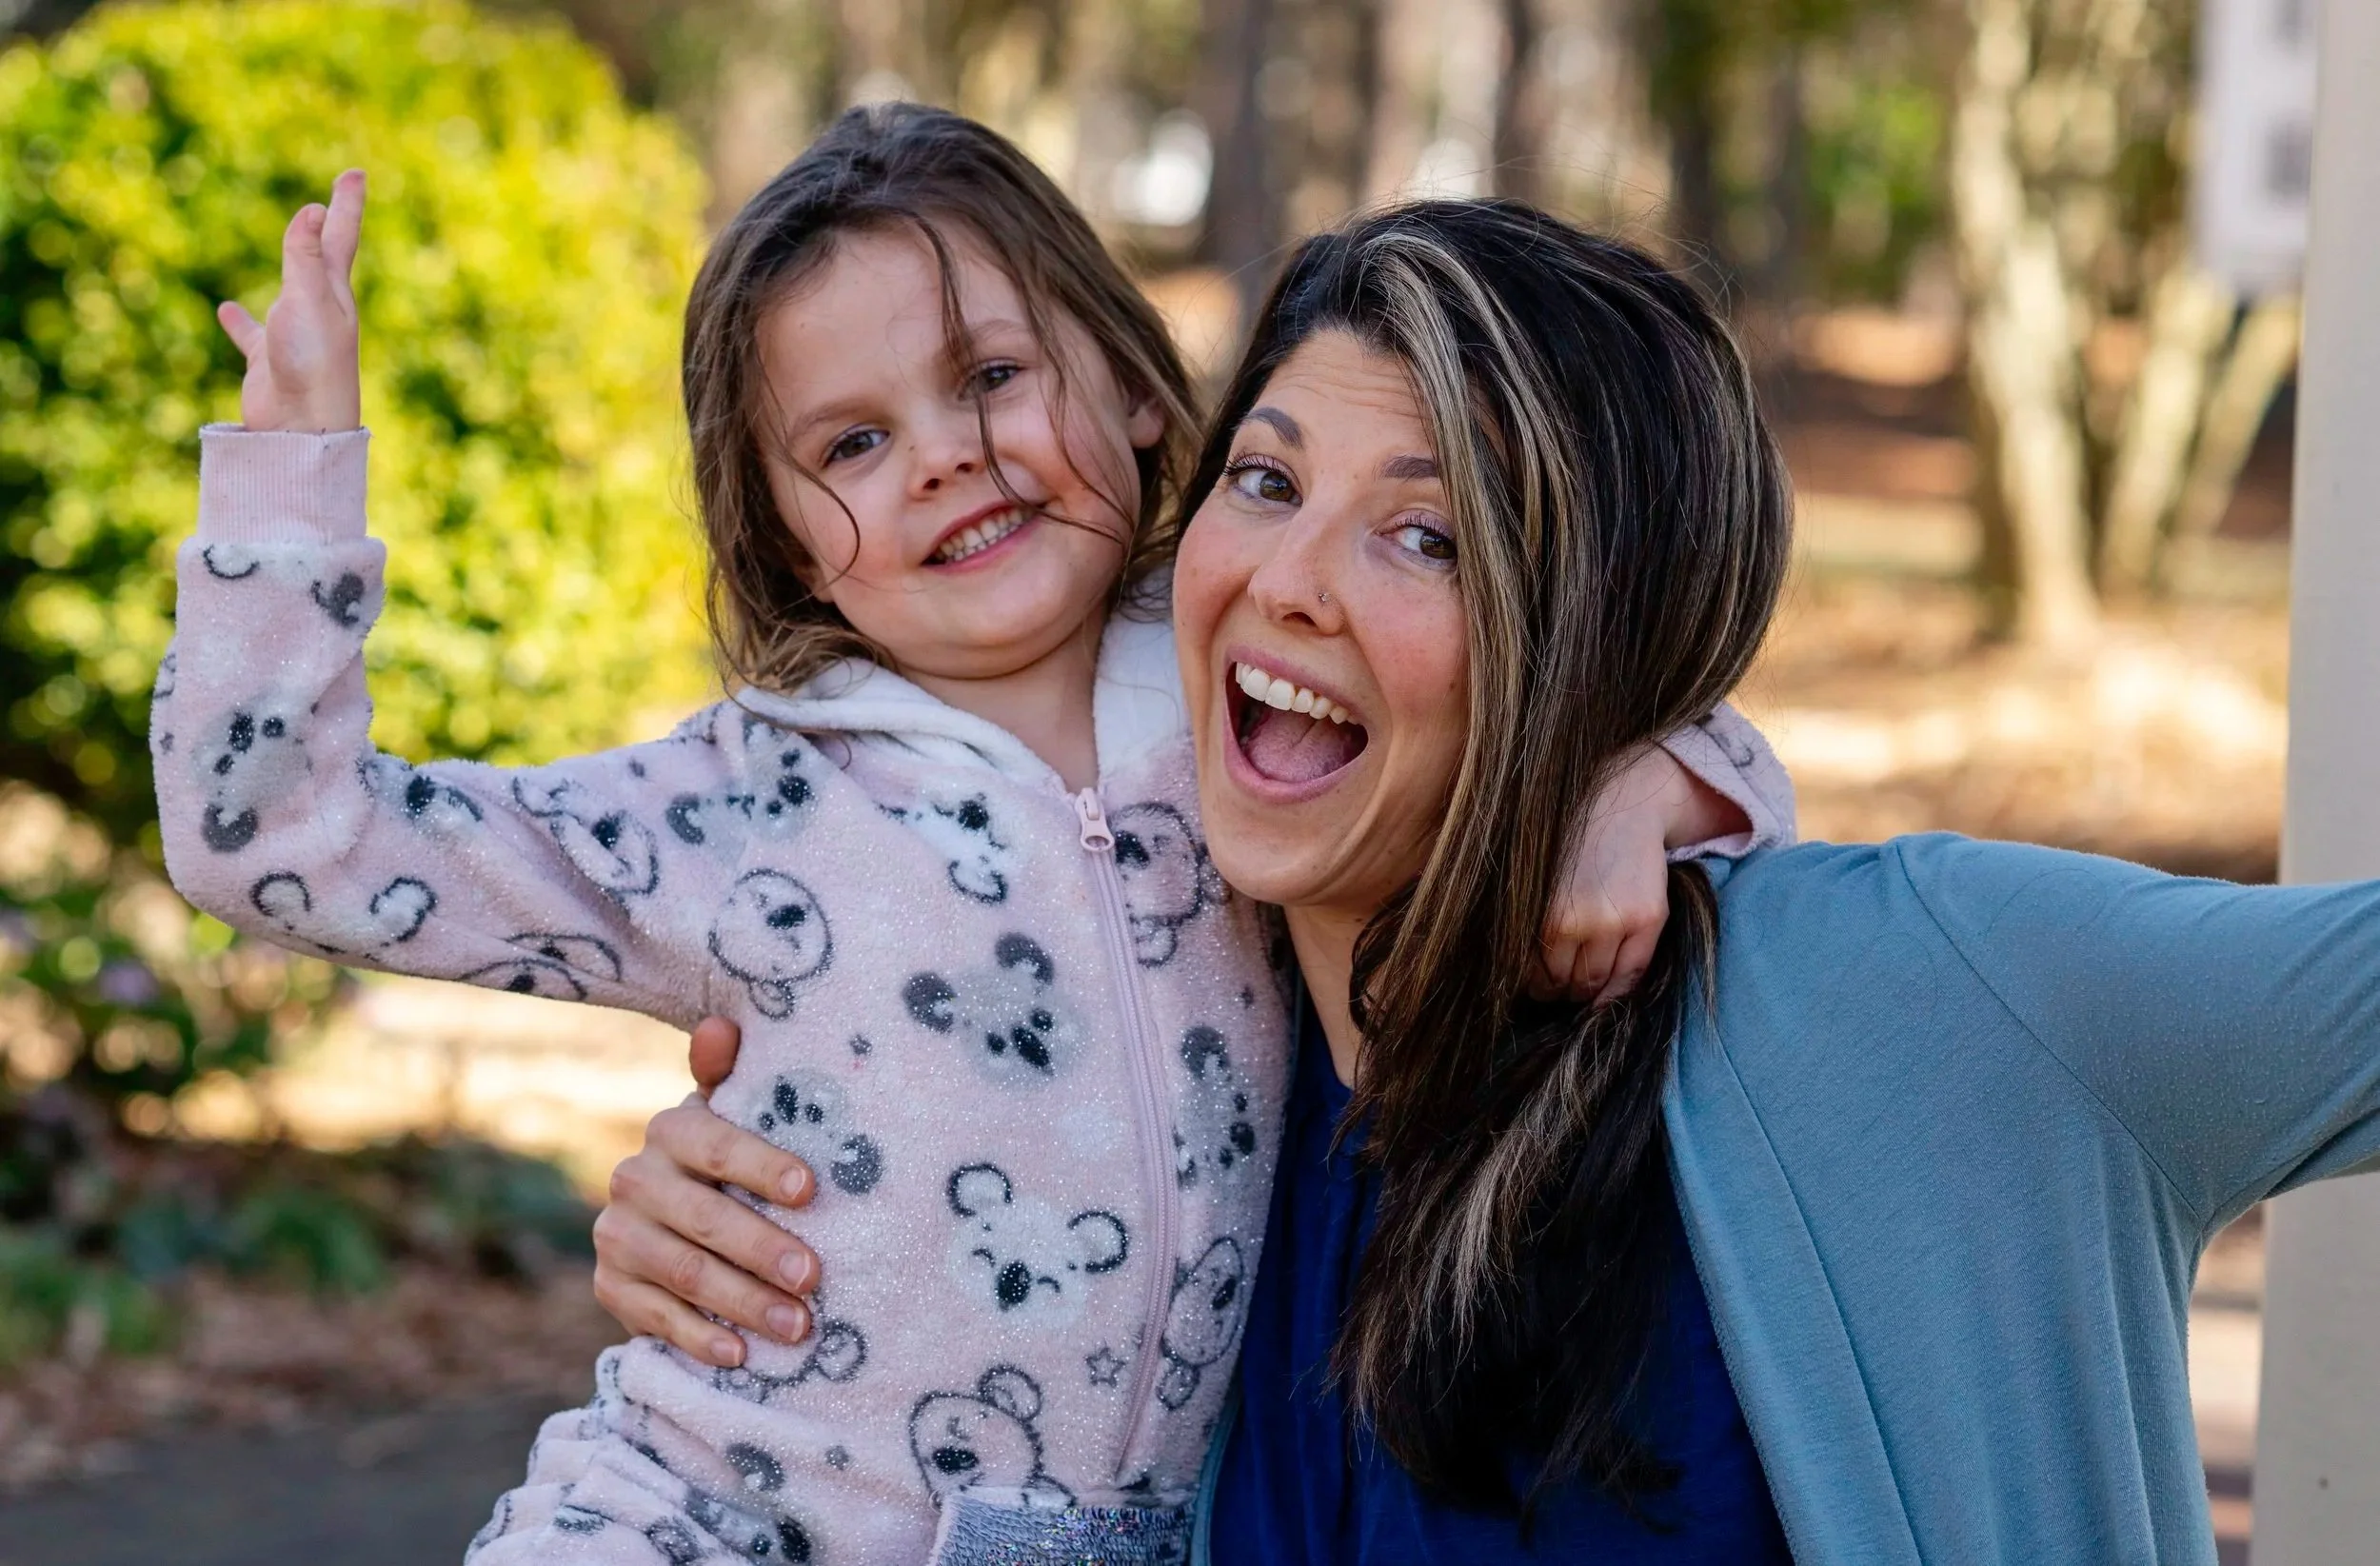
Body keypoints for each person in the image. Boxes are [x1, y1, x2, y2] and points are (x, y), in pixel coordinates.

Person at [605, 197, 2380, 1566]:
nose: (1288, 580)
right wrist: (765, 1225)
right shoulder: (1180, 1072)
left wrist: (1625, 754)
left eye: (1428, 533)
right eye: (1265, 479)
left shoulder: (1922, 996)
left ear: (1584, 635)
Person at [151, 105, 1791, 1566]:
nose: (945, 456)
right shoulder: (737, 806)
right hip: (696, 1522)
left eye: (991, 378)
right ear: (787, 538)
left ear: (1136, 389)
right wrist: (289, 492)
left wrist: (1625, 787)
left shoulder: (1258, 700)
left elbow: (1630, 725)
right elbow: (286, 840)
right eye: (851, 444)